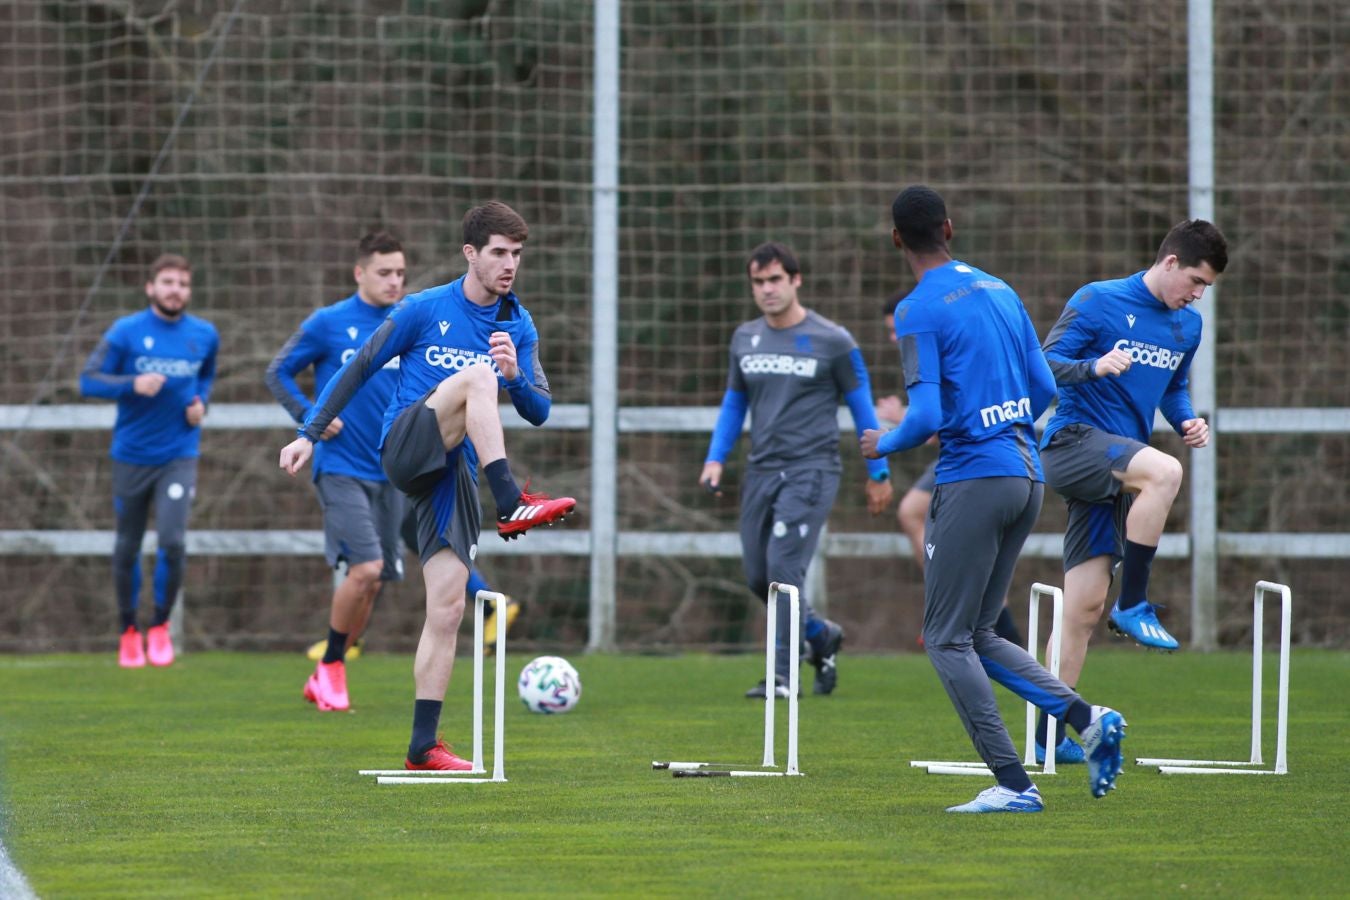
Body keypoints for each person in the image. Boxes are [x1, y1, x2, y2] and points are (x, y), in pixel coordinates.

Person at [279, 201, 575, 771]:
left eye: (517, 254)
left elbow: (539, 410)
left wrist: (517, 377)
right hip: (404, 447)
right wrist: (309, 433)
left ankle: (423, 746)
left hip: (452, 473)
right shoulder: (423, 308)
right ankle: (511, 503)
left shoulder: (520, 323)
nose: (510, 264)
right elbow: (361, 365)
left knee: (446, 608)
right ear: (471, 254)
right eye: (498, 253)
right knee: (477, 376)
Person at [861, 186, 1125, 813]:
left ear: (897, 238)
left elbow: (923, 417)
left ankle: (1013, 785)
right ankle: (1087, 720)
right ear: (949, 228)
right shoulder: (1001, 290)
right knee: (978, 631)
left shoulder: (917, 309)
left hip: (973, 479)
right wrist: (1003, 426)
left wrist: (882, 443)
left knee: (946, 637)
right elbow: (1040, 387)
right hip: (1025, 475)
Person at [1034, 219, 1226, 753]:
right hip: (1072, 443)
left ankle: (1047, 734)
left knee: (1083, 609)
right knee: (1165, 473)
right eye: (1194, 280)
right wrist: (1094, 366)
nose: (1197, 294)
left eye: (1206, 287)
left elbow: (1173, 387)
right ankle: (1136, 603)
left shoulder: (1187, 326)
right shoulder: (1097, 301)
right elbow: (1043, 365)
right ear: (1169, 263)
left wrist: (1187, 420)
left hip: (1116, 465)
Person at [700, 242, 894, 699]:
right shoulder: (744, 338)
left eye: (774, 280)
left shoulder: (833, 340)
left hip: (812, 469)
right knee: (756, 575)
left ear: (795, 280)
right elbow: (735, 401)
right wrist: (715, 457)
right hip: (761, 470)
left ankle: (781, 676)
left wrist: (879, 472)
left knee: (783, 568)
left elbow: (862, 408)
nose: (766, 290)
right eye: (758, 282)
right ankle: (819, 634)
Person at [265, 231, 411, 711]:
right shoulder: (329, 323)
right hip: (341, 466)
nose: (394, 282)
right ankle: (330, 666)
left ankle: (329, 669)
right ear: (360, 273)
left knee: (376, 579)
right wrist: (313, 418)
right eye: (384, 273)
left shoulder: (407, 321)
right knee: (365, 568)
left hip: (391, 468)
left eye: (400, 274)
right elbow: (278, 371)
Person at [80, 254, 219, 668]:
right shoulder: (126, 331)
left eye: (182, 283)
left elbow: (206, 377)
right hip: (131, 455)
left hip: (179, 454)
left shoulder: (205, 334)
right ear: (151, 287)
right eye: (168, 282)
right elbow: (88, 380)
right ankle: (128, 630)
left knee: (173, 541)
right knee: (128, 545)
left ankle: (159, 626)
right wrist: (131, 383)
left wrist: (201, 404)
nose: (175, 289)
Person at [876, 296, 1025, 651]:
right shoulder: (925, 345)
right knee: (913, 512)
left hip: (979, 458)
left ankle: (965, 616)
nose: (895, 338)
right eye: (889, 332)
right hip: (964, 455)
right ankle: (953, 607)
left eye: (897, 330)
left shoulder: (941, 343)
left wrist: (896, 426)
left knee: (978, 567)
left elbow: (932, 425)